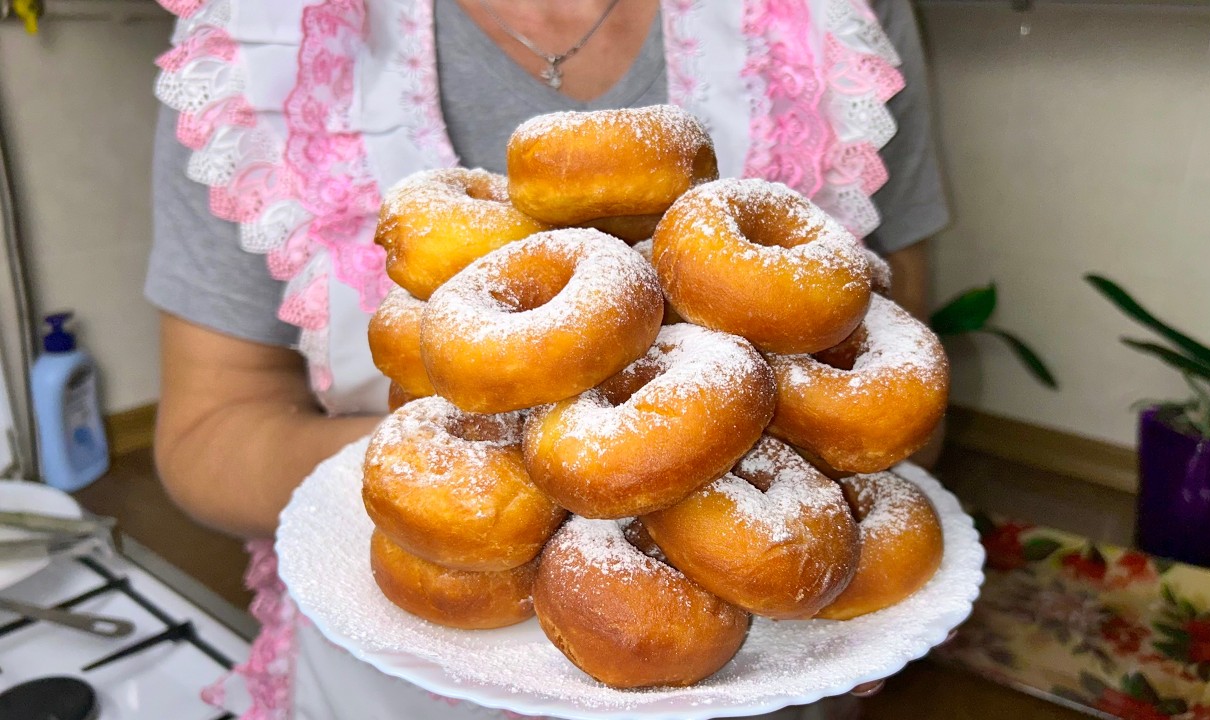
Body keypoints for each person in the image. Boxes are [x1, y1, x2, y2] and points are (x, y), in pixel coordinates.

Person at [147, 0, 949, 717]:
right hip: (389, 690)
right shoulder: (259, 37)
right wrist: (526, 473)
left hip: (752, 682)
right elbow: (205, 434)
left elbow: (893, 399)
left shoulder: (842, 16)